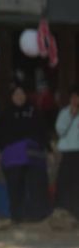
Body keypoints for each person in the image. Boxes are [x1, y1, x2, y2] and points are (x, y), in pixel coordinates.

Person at [0, 82, 52, 223]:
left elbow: (43, 131)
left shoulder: (34, 111)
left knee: (36, 185)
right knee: (15, 185)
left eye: (22, 93)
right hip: (13, 157)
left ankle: (38, 216)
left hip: (33, 155)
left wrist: (49, 150)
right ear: (11, 97)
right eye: (16, 94)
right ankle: (17, 217)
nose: (19, 96)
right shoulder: (6, 114)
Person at [55, 85, 79, 218]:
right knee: (64, 183)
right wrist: (71, 115)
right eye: (73, 97)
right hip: (68, 154)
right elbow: (60, 131)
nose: (75, 100)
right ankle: (64, 213)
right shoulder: (64, 112)